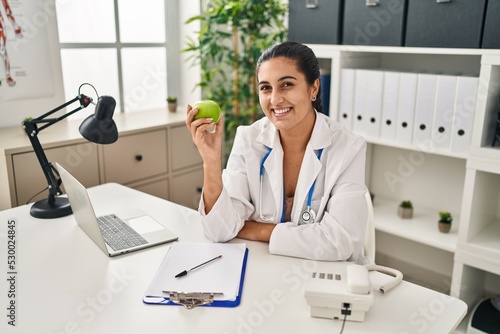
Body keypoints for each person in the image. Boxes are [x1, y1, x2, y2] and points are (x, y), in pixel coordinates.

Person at [185, 41, 368, 262]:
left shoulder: (348, 147)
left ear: (314, 88)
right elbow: (219, 230)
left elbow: (340, 242)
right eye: (265, 88)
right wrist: (211, 162)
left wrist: (257, 230)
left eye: (287, 85)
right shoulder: (248, 139)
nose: (274, 99)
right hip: (269, 269)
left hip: (327, 278)